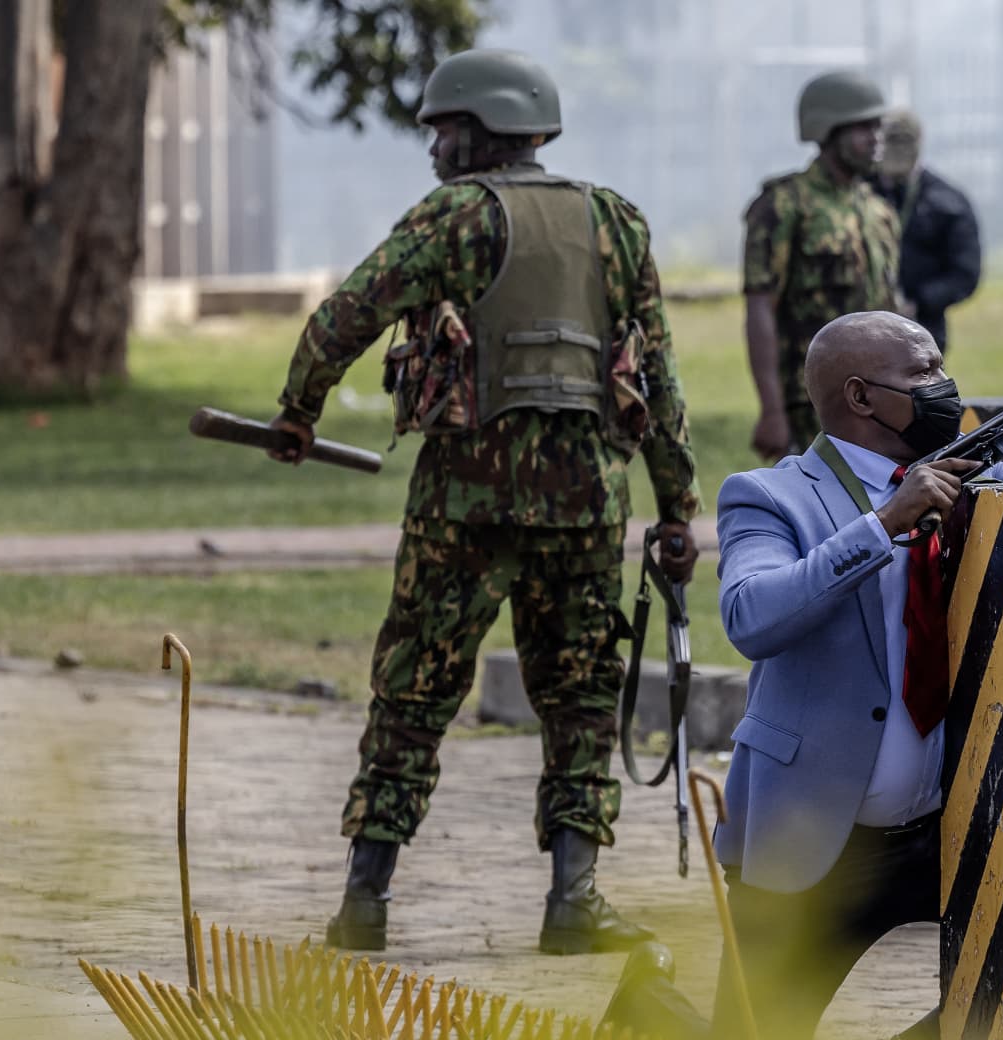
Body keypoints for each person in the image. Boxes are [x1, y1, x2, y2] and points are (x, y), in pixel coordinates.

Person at [266, 48, 702, 956]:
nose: (432, 148)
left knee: (412, 692)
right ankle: (574, 902)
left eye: (441, 130)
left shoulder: (453, 216)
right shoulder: (615, 223)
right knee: (581, 693)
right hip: (585, 504)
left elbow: (345, 315)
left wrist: (299, 411)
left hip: (462, 503)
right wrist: (674, 507)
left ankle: (363, 905)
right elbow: (655, 379)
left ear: (478, 132)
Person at [708, 310, 1003, 1040]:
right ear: (861, 395)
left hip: (948, 833)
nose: (945, 387)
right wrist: (885, 521)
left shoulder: (973, 477)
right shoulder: (768, 495)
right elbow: (752, 616)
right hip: (814, 836)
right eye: (924, 373)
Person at [743, 71, 903, 462]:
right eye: (864, 128)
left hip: (881, 399)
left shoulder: (878, 211)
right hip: (814, 401)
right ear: (829, 131)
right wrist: (772, 410)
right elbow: (760, 309)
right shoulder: (784, 206)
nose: (876, 139)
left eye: (878, 127)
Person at [874, 109, 983, 354]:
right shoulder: (860, 192)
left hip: (922, 331)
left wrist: (919, 302)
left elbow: (965, 273)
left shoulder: (947, 203)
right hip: (862, 327)